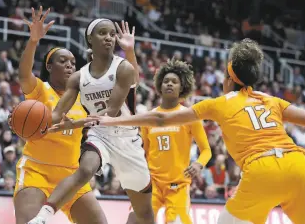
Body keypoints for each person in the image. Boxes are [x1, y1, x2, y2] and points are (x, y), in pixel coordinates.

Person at [89, 39, 305, 224]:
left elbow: (161, 119)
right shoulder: (271, 100)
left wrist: (111, 121)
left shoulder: (218, 103)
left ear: (229, 80)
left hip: (259, 168)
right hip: (297, 164)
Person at [29, 19, 154, 224]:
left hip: (127, 138)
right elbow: (57, 114)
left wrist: (76, 124)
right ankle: (43, 217)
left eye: (112, 34)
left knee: (145, 214)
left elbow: (110, 114)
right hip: (100, 135)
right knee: (85, 170)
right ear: (90, 39)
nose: (108, 37)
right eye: (102, 33)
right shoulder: (78, 77)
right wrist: (34, 123)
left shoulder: (123, 69)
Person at [8, 7, 107, 224]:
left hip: (71, 175)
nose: (70, 65)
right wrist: (33, 40)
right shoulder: (40, 90)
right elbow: (24, 74)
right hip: (36, 170)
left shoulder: (83, 97)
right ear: (49, 66)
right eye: (63, 61)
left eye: (72, 62)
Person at [127, 59, 212, 224]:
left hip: (178, 185)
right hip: (152, 183)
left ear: (182, 87)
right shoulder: (149, 117)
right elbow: (143, 151)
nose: (169, 84)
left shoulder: (189, 116)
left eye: (174, 82)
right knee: (134, 219)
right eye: (166, 81)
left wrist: (198, 164)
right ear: (160, 85)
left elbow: (207, 150)